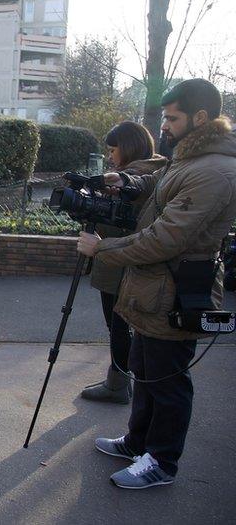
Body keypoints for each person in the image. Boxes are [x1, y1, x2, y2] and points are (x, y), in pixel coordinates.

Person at [78, 79, 236, 489]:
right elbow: (158, 188)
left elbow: (167, 237)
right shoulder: (188, 158)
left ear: (199, 118)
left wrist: (104, 249)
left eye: (172, 118)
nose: (163, 126)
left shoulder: (216, 170)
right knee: (145, 370)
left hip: (178, 288)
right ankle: (137, 443)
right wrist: (124, 183)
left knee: (168, 381)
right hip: (153, 289)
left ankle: (162, 462)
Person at [80, 122, 166, 404]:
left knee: (118, 326)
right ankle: (120, 381)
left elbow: (123, 222)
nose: (110, 156)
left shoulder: (135, 178)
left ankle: (118, 384)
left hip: (119, 260)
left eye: (113, 150)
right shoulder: (156, 170)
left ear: (127, 148)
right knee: (124, 327)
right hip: (128, 260)